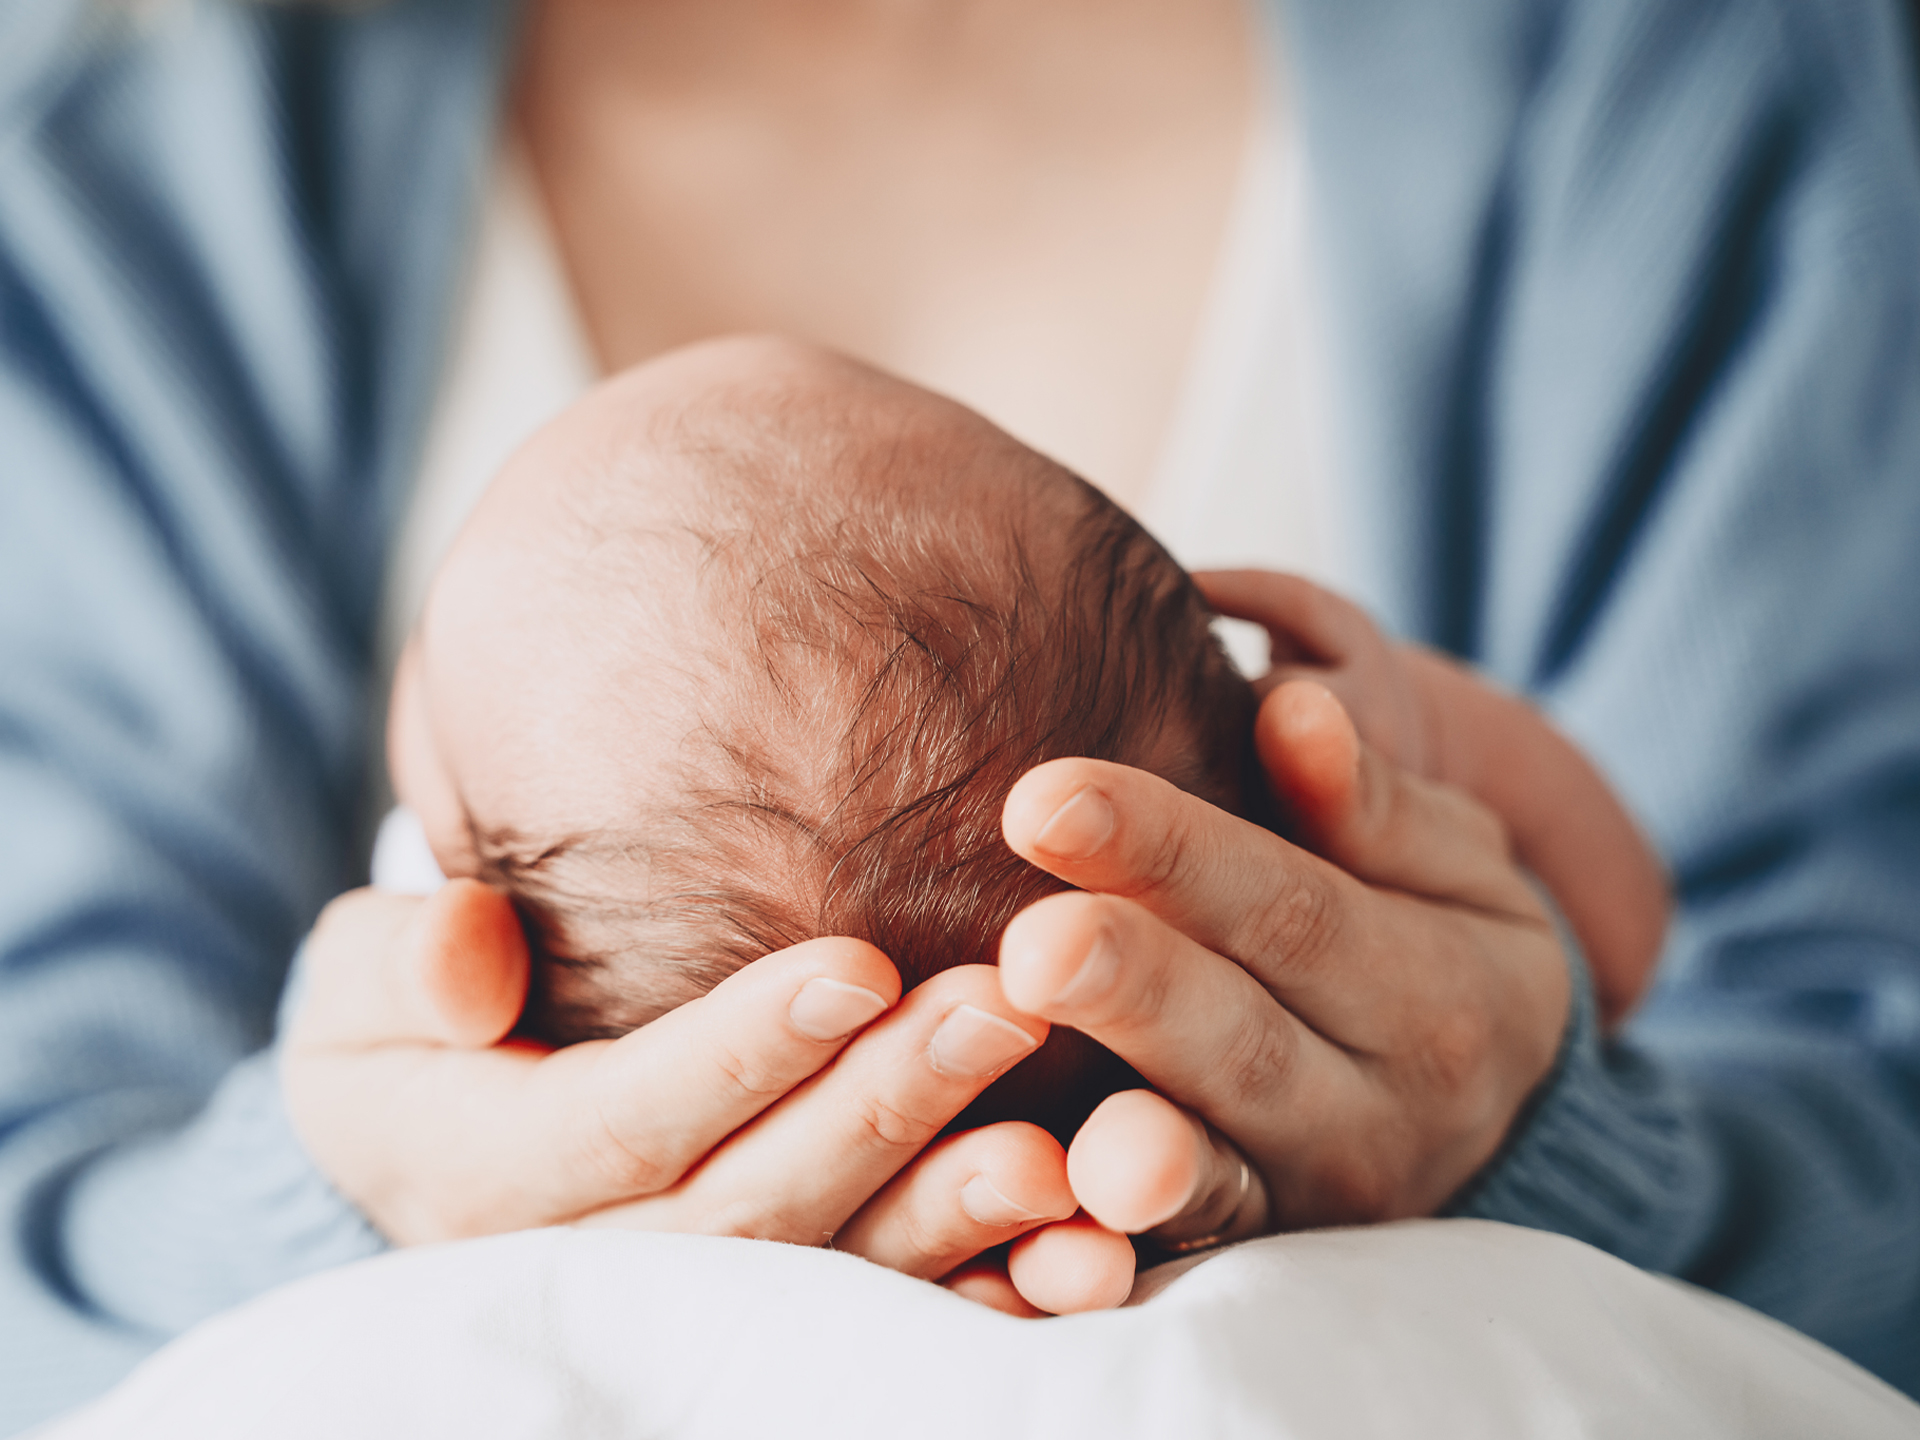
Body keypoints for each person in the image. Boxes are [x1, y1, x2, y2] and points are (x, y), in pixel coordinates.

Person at [4, 0, 1919, 1427]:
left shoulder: (1666, 69)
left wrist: (345, 1209)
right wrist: (1545, 1101)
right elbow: (1637, 928)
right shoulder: (110, 166)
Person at [359, 334, 1668, 1312]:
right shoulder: (1285, 856)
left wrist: (358, 1203)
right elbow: (1624, 941)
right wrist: (1414, 745)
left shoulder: (463, 952)